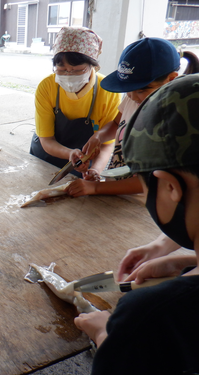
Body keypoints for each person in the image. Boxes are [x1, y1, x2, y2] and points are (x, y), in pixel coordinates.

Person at [74, 74, 199, 375]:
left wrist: (108, 335)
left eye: (144, 187)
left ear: (170, 187)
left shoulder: (149, 315)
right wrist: (184, 263)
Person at [67, 37, 199, 197]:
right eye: (127, 89)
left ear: (170, 79)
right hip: (114, 193)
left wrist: (95, 189)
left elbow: (154, 180)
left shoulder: (174, 118)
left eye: (140, 90)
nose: (131, 95)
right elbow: (116, 123)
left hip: (144, 205)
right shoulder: (132, 99)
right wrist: (99, 136)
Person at [30, 26, 120, 177]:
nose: (69, 74)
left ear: (93, 66)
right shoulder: (47, 87)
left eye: (77, 70)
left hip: (84, 162)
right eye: (61, 68)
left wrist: (95, 171)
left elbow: (105, 144)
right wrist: (70, 153)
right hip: (46, 156)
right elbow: (46, 140)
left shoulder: (107, 90)